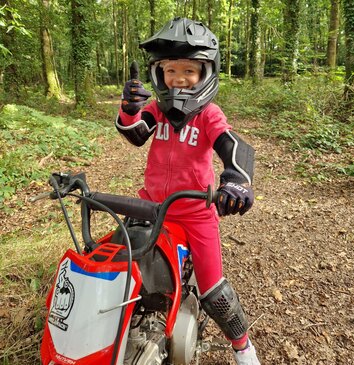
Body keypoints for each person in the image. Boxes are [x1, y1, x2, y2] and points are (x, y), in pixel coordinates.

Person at [115, 17, 260, 365]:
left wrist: (237, 180)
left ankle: (242, 346)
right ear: (157, 74)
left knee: (213, 289)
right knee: (121, 265)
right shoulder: (156, 109)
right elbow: (135, 133)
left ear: (206, 73)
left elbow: (233, 147)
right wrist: (129, 108)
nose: (178, 79)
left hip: (196, 211)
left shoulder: (208, 115)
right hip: (150, 207)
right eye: (169, 71)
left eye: (189, 71)